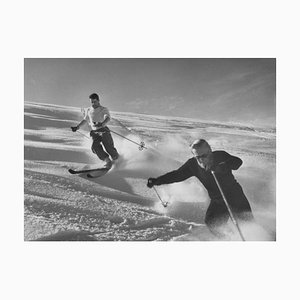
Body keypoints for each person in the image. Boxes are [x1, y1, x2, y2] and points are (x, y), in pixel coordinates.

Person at [147, 139, 254, 236]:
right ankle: (230, 239)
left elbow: (237, 162)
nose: (201, 160)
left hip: (235, 196)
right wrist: (157, 181)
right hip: (217, 200)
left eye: (204, 156)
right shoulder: (192, 165)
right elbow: (177, 175)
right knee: (212, 223)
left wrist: (225, 165)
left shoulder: (220, 156)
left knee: (246, 224)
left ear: (209, 151)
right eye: (198, 157)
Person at [71, 93, 119, 168]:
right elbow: (85, 120)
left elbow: (107, 118)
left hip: (103, 130)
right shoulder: (89, 110)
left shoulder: (103, 109)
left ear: (98, 100)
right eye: (91, 102)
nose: (93, 103)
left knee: (108, 147)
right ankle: (107, 161)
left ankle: (117, 160)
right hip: (94, 132)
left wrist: (102, 124)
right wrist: (77, 127)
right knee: (95, 147)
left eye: (95, 101)